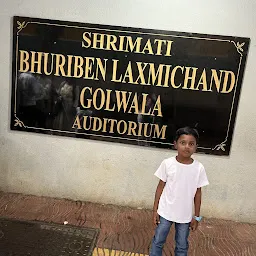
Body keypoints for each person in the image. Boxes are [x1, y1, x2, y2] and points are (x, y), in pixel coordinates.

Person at [149, 127, 209, 256]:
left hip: (185, 215)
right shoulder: (167, 163)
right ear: (175, 144)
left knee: (182, 245)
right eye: (183, 143)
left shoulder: (198, 168)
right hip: (166, 211)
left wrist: (197, 216)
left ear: (195, 147)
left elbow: (198, 194)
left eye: (191, 144)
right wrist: (155, 210)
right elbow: (160, 187)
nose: (187, 147)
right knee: (158, 240)